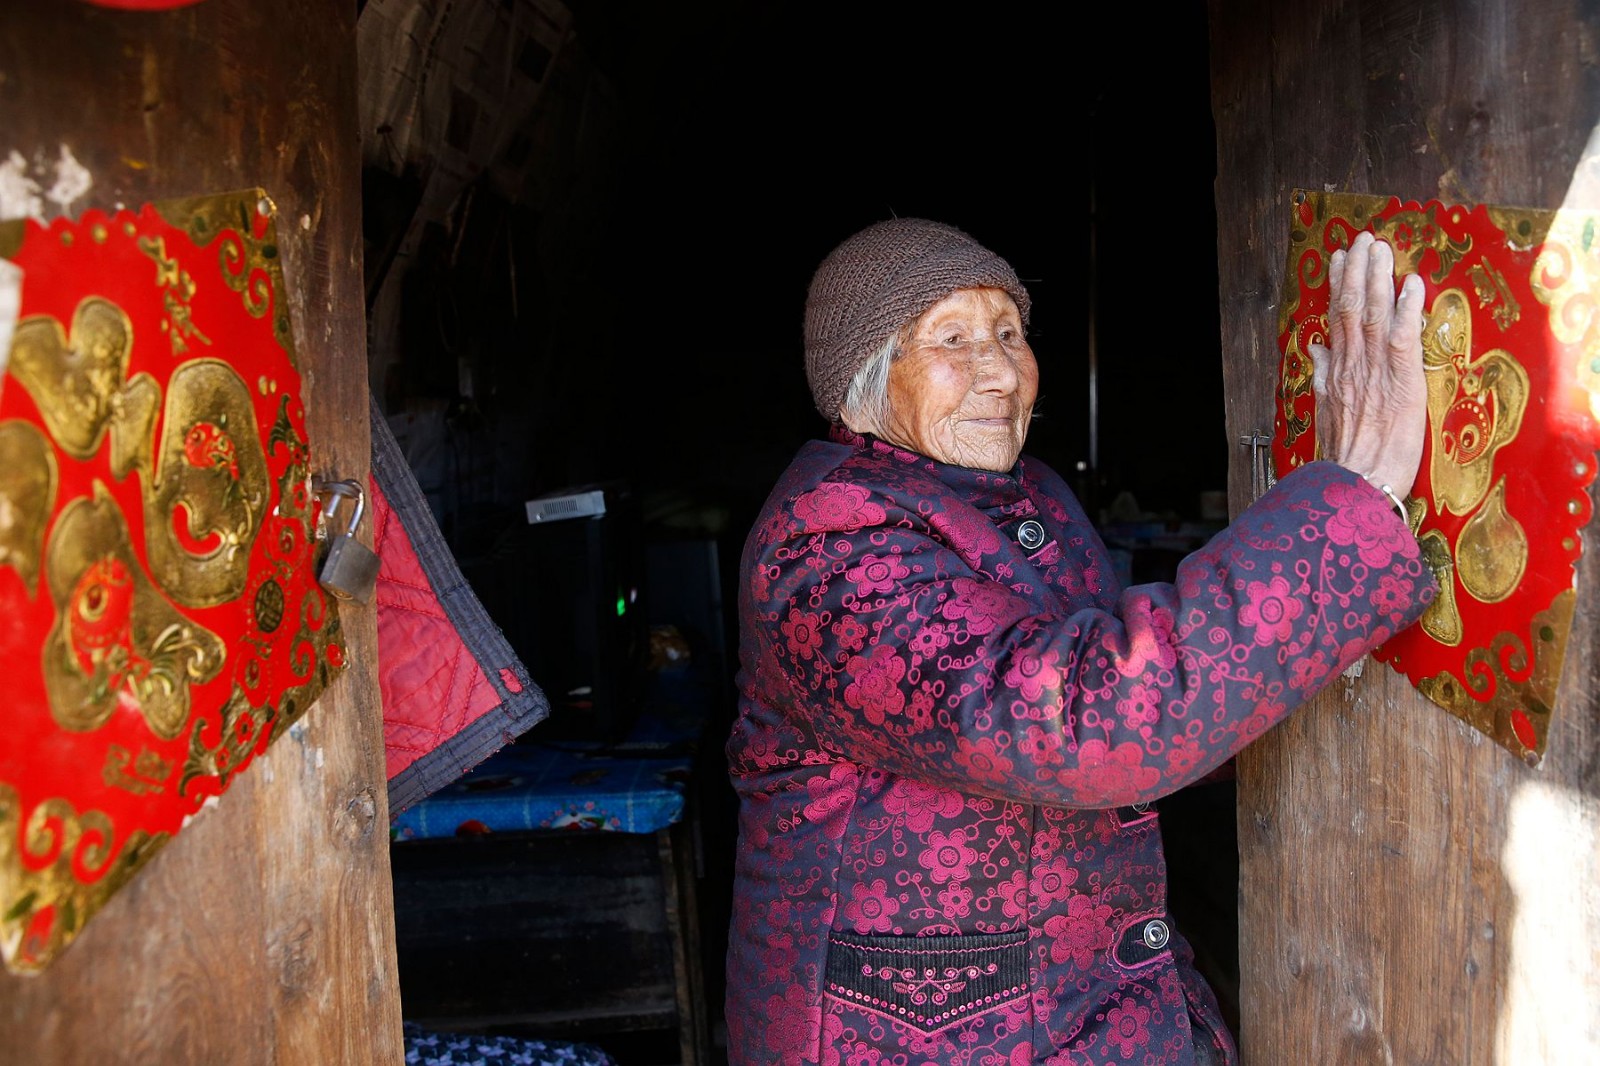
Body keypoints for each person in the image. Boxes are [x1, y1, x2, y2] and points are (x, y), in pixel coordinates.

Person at [722, 217, 1435, 1065]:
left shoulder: (1032, 496)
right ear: (859, 387)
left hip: (1087, 1006)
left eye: (1010, 334)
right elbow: (1085, 727)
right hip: (920, 1035)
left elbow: (1155, 700)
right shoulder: (828, 543)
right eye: (951, 339)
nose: (997, 370)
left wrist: (1318, 643)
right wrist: (1348, 505)